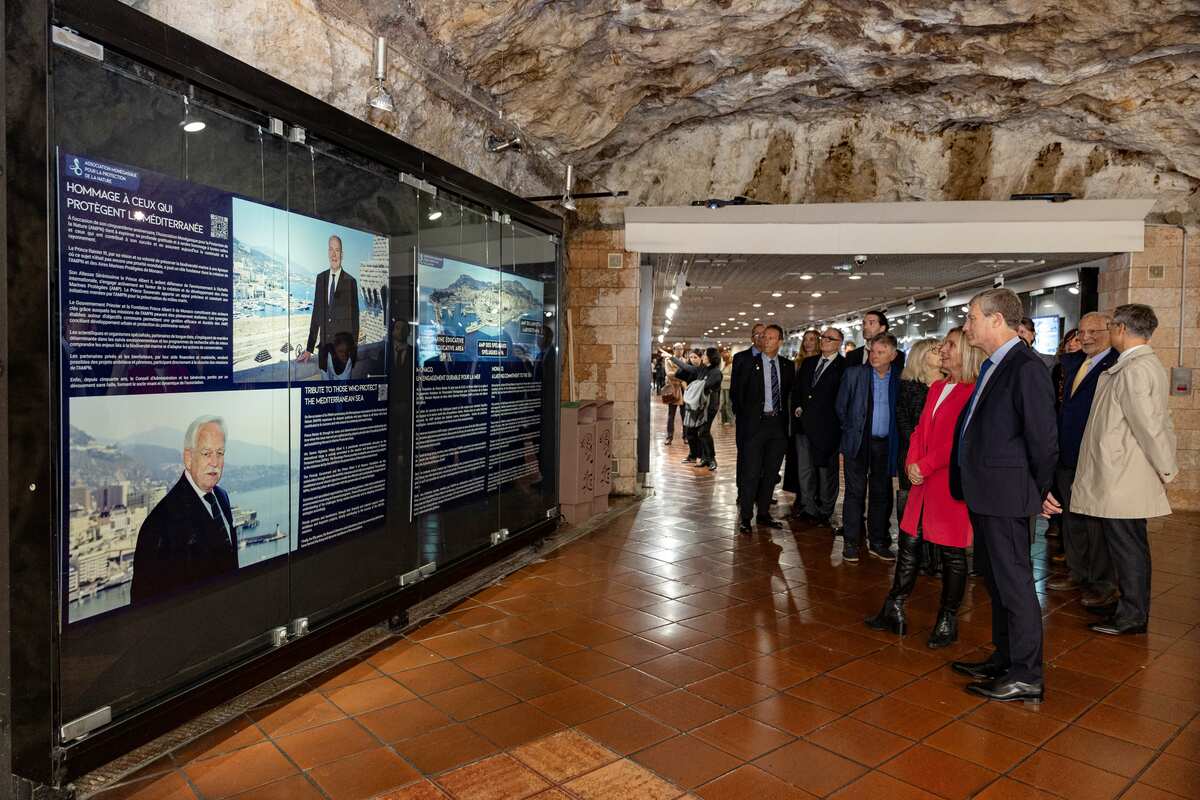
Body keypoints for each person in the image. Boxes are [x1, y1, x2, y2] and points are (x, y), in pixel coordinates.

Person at [950, 288, 1057, 703]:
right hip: (986, 493)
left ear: (997, 320)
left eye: (972, 317)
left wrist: (1038, 489)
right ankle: (1006, 657)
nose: (966, 326)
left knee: (1015, 585)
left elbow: (1043, 440)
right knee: (996, 581)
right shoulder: (995, 364)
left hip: (1007, 495)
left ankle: (1027, 674)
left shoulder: (1025, 367)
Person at [1045, 304, 1177, 636]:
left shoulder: (1135, 368)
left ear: (1120, 329)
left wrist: (1167, 470)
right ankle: (1128, 608)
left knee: (1127, 547)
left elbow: (1149, 426)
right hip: (1120, 472)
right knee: (1126, 545)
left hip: (1123, 474)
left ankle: (1132, 614)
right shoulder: (1133, 364)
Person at [866, 327, 982, 647]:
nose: (943, 350)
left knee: (952, 554)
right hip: (921, 480)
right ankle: (894, 607)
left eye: (950, 345)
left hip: (947, 482)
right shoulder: (937, 387)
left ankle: (947, 619)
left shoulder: (972, 391)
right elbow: (919, 430)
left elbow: (958, 441)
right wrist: (912, 463)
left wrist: (924, 465)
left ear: (967, 352)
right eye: (943, 345)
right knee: (909, 544)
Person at [1044, 313, 1120, 606]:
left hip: (1094, 456)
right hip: (1067, 454)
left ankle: (1102, 583)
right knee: (1072, 518)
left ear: (1110, 331)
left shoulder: (1115, 364)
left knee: (1095, 525)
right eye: (1081, 332)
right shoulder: (1073, 364)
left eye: (1093, 331)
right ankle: (1078, 572)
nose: (1085, 337)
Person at [131, 416, 239, 604]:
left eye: (220, 453)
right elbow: (144, 608)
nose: (215, 462)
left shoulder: (222, 498)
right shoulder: (158, 525)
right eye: (206, 453)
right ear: (188, 458)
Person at [835, 334, 900, 563]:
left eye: (881, 352)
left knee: (881, 494)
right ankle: (851, 543)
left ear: (893, 355)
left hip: (885, 445)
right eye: (872, 351)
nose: (874, 356)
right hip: (858, 442)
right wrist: (853, 429)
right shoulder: (854, 374)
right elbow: (841, 407)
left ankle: (878, 542)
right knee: (855, 493)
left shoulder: (900, 377)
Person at [731, 324, 794, 534]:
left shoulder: (787, 366)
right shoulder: (749, 363)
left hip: (778, 427)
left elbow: (789, 396)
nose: (765, 341)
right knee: (751, 472)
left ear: (780, 342)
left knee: (771, 472)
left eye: (771, 338)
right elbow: (737, 394)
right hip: (755, 426)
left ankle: (764, 513)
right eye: (764, 337)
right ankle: (745, 517)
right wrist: (746, 420)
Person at [896, 338, 943, 575]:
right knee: (913, 508)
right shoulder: (908, 387)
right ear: (922, 356)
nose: (941, 353)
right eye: (935, 350)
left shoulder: (950, 385)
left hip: (939, 458)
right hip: (913, 455)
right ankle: (919, 559)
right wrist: (920, 454)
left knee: (938, 508)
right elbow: (904, 423)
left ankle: (937, 560)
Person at [790, 327, 846, 526]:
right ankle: (808, 508)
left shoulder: (844, 367)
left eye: (830, 338)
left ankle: (825, 511)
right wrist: (798, 407)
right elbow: (797, 390)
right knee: (805, 470)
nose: (824, 340)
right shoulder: (809, 363)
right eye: (823, 337)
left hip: (827, 429)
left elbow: (843, 398)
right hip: (804, 426)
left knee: (826, 473)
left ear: (839, 343)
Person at [297, 234, 360, 381]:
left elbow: (355, 320)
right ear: (327, 252)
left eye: (337, 250)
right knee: (326, 394)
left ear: (342, 254)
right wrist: (309, 348)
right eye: (331, 249)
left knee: (342, 396)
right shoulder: (321, 278)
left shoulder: (351, 282)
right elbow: (316, 315)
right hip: (324, 357)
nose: (333, 254)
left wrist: (352, 352)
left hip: (343, 358)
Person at [671, 347, 722, 470]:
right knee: (697, 432)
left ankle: (711, 459)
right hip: (699, 406)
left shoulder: (716, 372)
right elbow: (685, 369)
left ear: (711, 357)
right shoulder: (702, 369)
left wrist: (695, 385)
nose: (703, 357)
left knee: (703, 431)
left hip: (709, 407)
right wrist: (673, 358)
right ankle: (705, 458)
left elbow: (706, 386)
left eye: (705, 355)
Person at [662, 343, 686, 445]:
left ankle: (686, 436)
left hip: (683, 389)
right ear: (673, 350)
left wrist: (676, 374)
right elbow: (669, 374)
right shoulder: (668, 360)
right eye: (678, 349)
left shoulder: (685, 361)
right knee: (671, 415)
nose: (680, 351)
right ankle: (669, 437)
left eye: (681, 349)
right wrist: (682, 377)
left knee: (684, 414)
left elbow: (687, 374)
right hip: (673, 389)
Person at [719, 351, 734, 426]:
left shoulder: (731, 366)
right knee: (722, 404)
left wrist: (723, 377)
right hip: (723, 387)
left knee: (728, 404)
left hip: (729, 387)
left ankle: (730, 420)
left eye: (724, 358)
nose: (723, 359)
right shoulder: (724, 365)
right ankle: (723, 420)